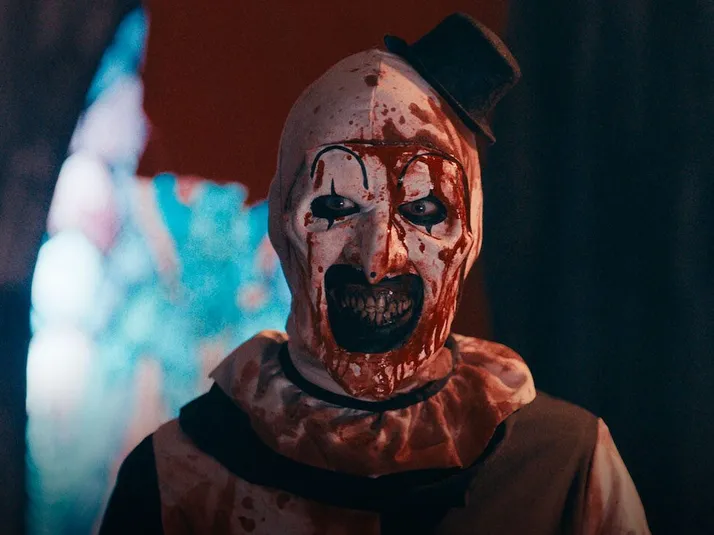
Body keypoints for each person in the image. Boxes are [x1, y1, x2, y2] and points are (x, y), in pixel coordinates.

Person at [99, 13, 650, 535]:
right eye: (337, 207)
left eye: (423, 210)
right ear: (285, 222)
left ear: (469, 230)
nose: (378, 259)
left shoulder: (566, 469)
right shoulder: (175, 480)